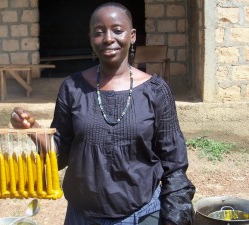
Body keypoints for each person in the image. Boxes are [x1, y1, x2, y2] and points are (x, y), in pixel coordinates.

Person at [10, 2, 195, 225]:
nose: (108, 38)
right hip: (82, 218)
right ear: (90, 38)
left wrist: (174, 218)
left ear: (132, 35)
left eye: (117, 30)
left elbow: (174, 163)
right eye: (99, 32)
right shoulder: (73, 88)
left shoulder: (156, 91)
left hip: (142, 216)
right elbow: (59, 155)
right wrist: (33, 129)